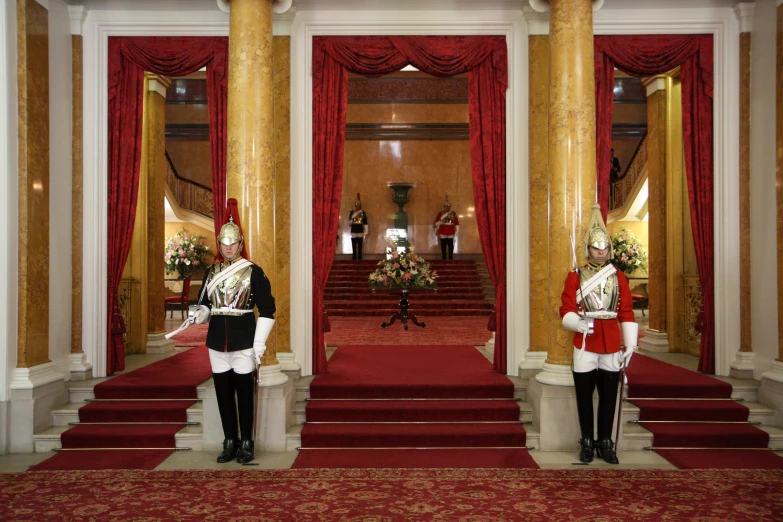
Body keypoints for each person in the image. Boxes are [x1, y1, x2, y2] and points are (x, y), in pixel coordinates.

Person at [192, 198, 276, 464]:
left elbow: (268, 309)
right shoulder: (210, 272)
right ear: (220, 245)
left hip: (244, 340)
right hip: (217, 341)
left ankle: (247, 442)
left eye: (233, 244)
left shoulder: (254, 272)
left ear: (240, 244)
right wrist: (199, 314)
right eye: (224, 244)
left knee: (244, 395)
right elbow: (205, 305)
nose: (229, 248)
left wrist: (259, 344)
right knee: (223, 394)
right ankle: (230, 440)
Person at [559, 203, 638, 464]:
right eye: (596, 248)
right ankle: (587, 441)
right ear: (588, 248)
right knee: (584, 397)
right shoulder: (575, 276)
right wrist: (575, 322)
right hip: (585, 341)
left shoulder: (619, 277)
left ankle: (605, 441)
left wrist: (630, 344)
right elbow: (566, 307)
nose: (600, 252)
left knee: (609, 397)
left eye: (604, 248)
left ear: (609, 249)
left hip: (612, 344)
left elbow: (626, 311)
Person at [434, 196, 459, 260]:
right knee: (443, 245)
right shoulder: (440, 213)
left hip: (450, 231)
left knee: (451, 246)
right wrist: (441, 222)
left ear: (450, 206)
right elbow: (436, 223)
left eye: (448, 206)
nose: (447, 207)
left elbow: (456, 223)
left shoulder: (453, 213)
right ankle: (443, 257)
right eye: (446, 206)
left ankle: (451, 257)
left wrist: (457, 231)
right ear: (444, 206)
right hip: (443, 231)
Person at [348, 193, 368, 260]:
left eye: (359, 205)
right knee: (353, 244)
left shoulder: (363, 213)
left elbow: (365, 222)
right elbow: (350, 220)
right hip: (354, 229)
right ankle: (354, 255)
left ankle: (359, 255)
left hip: (360, 229)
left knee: (360, 244)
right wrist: (355, 215)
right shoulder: (352, 212)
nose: (358, 206)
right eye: (356, 205)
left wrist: (366, 230)